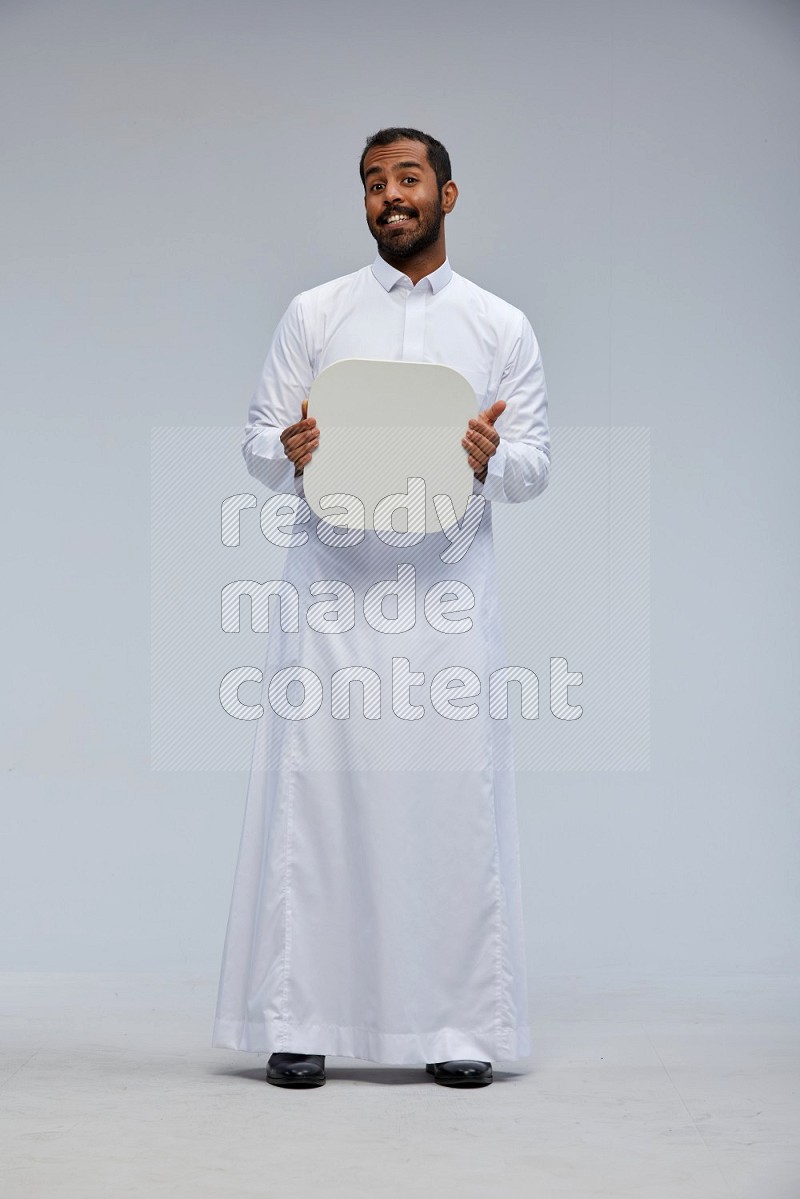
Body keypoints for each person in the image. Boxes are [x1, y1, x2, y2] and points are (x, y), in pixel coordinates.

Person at [212, 127, 550, 1089]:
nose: (389, 196)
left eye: (408, 179)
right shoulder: (316, 314)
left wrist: (492, 459)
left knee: (451, 803)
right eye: (373, 183)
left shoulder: (500, 327)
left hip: (446, 597)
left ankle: (454, 1026)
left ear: (449, 194)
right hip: (332, 591)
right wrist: (294, 444)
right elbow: (258, 447)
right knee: (317, 799)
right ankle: (301, 1016)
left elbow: (534, 466)